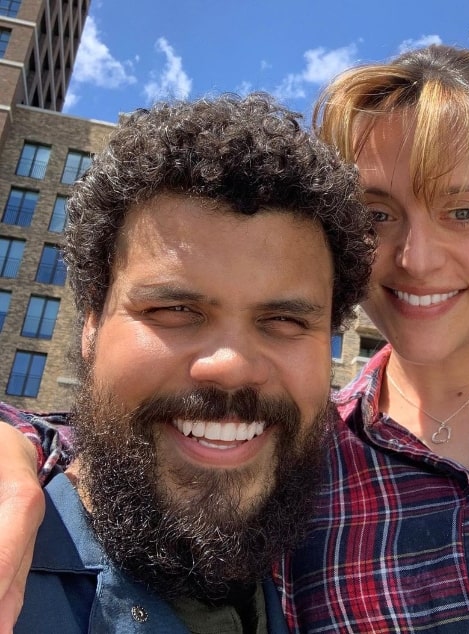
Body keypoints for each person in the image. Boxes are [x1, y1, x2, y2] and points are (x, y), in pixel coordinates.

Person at [2, 43, 469, 633]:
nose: (417, 258)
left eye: (464, 212)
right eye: (376, 215)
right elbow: (117, 434)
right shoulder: (303, 451)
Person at [3, 92, 373, 634]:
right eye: (175, 309)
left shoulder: (319, 577)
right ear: (90, 327)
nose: (231, 366)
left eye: (286, 321)